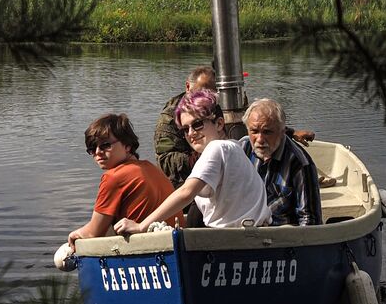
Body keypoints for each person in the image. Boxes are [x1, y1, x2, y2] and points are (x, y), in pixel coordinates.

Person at [114, 89, 271, 233]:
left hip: (234, 241)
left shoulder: (217, 148)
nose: (191, 133)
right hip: (251, 234)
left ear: (219, 123)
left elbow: (186, 193)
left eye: (197, 124)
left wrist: (141, 226)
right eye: (185, 129)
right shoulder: (234, 147)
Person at [67, 113, 182, 248]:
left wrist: (75, 234)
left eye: (105, 145)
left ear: (127, 145)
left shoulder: (113, 177)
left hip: (146, 247)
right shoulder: (152, 168)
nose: (98, 152)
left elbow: (94, 232)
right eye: (92, 148)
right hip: (174, 243)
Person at [241, 98, 322, 226]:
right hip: (243, 232)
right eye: (254, 131)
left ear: (282, 132)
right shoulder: (241, 150)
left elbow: (309, 221)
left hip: (281, 238)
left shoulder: (300, 164)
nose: (260, 139)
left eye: (267, 132)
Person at [153, 65, 216, 186]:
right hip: (184, 182)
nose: (206, 97)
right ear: (188, 86)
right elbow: (165, 161)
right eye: (202, 91)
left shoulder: (217, 106)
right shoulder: (170, 116)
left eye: (212, 92)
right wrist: (202, 158)